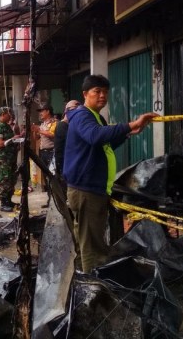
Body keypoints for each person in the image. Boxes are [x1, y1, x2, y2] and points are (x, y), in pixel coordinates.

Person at [64, 74, 157, 273]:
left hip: (93, 188)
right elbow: (95, 136)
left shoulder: (96, 117)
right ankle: (93, 288)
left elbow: (105, 143)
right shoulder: (82, 115)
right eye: (97, 91)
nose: (102, 96)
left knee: (90, 239)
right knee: (92, 245)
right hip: (86, 190)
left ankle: (85, 277)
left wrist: (129, 132)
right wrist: (131, 124)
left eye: (105, 92)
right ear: (85, 94)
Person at [0, 107, 19, 212]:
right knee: (4, 180)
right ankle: (3, 203)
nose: (11, 116)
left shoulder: (7, 126)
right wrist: (12, 139)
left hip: (10, 158)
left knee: (11, 179)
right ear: (3, 114)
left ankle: (9, 201)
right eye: (9, 114)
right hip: (4, 158)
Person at [54, 100, 81, 195]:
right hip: (64, 165)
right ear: (66, 111)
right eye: (74, 108)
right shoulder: (62, 126)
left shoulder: (70, 125)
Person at [32, 104, 57, 208]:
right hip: (43, 152)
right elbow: (37, 138)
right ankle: (50, 199)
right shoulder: (42, 124)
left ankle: (55, 200)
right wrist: (34, 131)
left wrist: (39, 130)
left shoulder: (55, 122)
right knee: (46, 177)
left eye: (42, 111)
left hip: (51, 152)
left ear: (48, 111)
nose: (40, 113)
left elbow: (52, 134)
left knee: (53, 176)